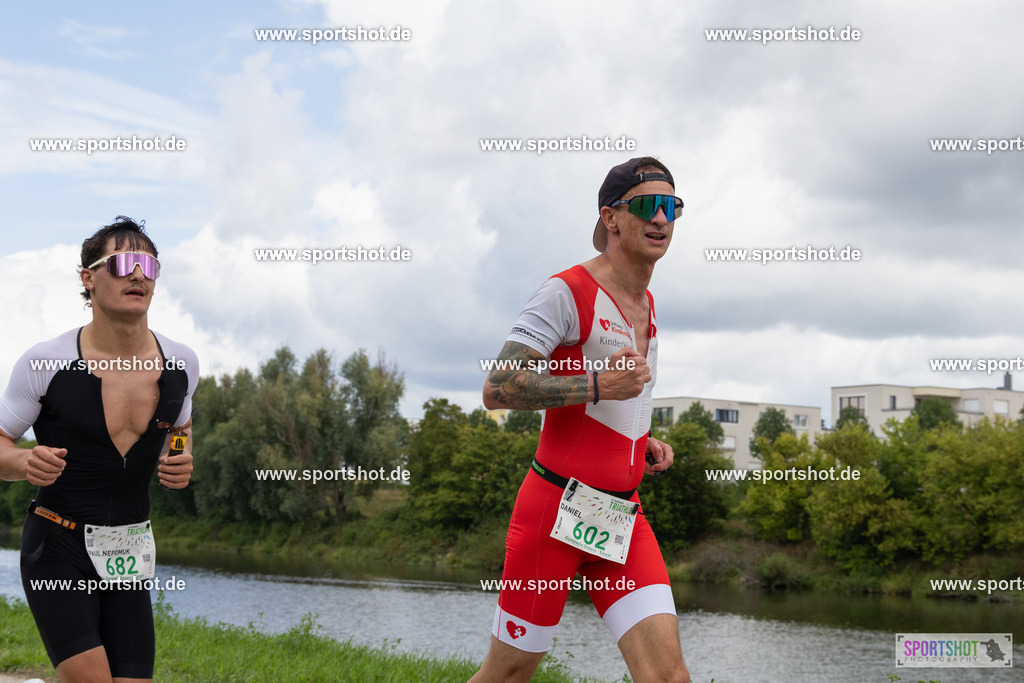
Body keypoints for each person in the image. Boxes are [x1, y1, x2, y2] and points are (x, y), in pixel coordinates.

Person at [472, 158, 690, 683]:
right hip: (554, 512)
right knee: (509, 675)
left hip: (620, 515)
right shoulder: (565, 292)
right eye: (647, 205)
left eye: (672, 206)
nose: (661, 218)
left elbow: (616, 402)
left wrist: (640, 440)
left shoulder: (647, 304)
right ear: (610, 218)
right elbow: (498, 388)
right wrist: (596, 385)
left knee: (668, 676)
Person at [0, 216, 199, 682]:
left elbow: (181, 425)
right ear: (88, 278)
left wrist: (179, 457)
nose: (139, 274)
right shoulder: (45, 362)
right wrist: (23, 460)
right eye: (124, 263)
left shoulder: (181, 362)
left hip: (128, 548)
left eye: (150, 266)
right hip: (58, 543)